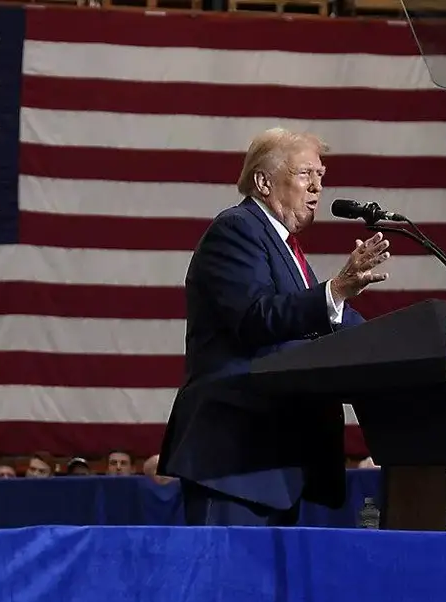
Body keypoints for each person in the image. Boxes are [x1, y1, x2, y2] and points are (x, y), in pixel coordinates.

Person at [159, 128, 392, 526]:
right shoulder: (236, 229)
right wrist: (334, 292)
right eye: (305, 174)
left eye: (321, 174)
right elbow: (256, 317)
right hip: (237, 462)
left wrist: (402, 343)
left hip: (279, 466)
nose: (318, 186)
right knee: (229, 586)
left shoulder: (287, 249)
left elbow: (324, 323)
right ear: (263, 181)